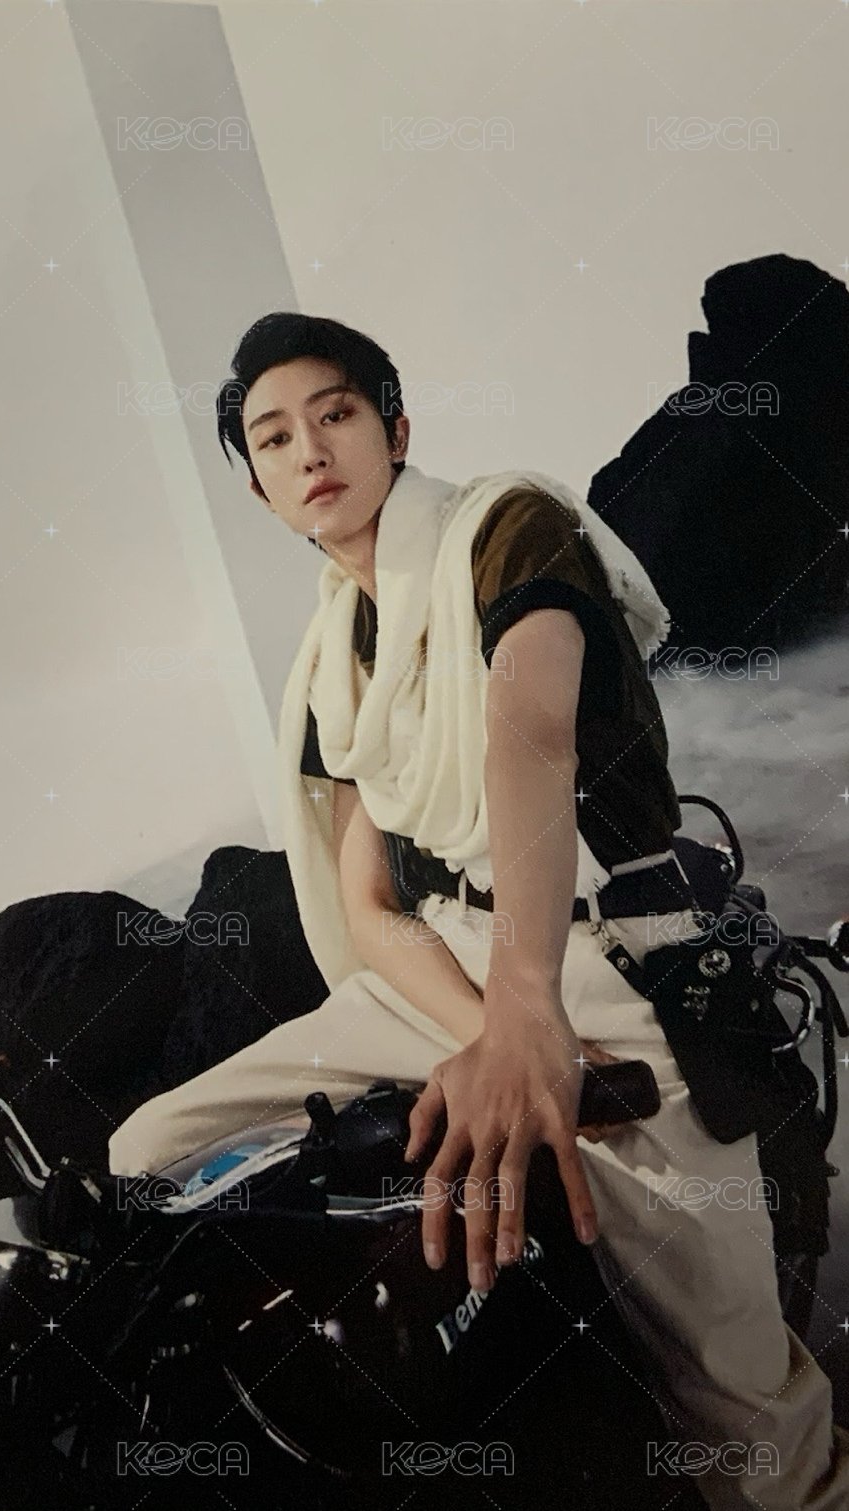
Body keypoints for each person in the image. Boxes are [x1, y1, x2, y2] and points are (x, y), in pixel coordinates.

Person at [109, 312, 849, 1509]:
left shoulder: (507, 528)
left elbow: (530, 734)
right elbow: (367, 902)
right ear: (256, 486)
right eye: (274, 436)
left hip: (608, 951)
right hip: (450, 966)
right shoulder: (337, 649)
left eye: (336, 413)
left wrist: (531, 1012)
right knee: (144, 1161)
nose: (310, 450)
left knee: (742, 1416)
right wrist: (487, 1036)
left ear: (395, 429)